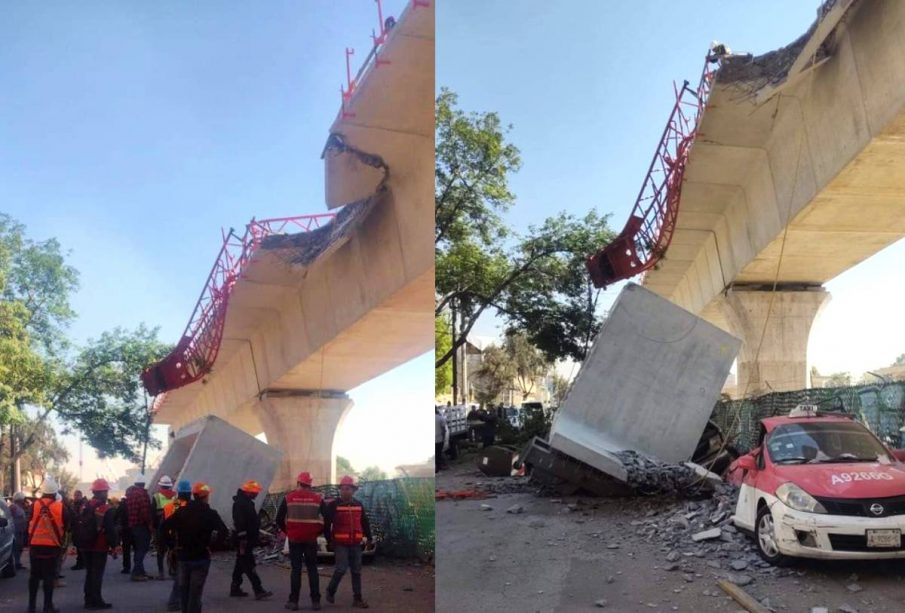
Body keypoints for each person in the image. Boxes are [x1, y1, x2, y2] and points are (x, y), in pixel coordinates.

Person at [161, 482, 230, 613]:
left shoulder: (179, 509)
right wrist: (214, 547)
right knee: (195, 593)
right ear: (206, 496)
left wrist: (171, 545)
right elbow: (224, 532)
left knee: (184, 590)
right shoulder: (210, 513)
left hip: (183, 556)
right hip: (201, 557)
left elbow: (163, 527)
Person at [275, 471, 327, 611]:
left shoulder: (288, 498)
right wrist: (318, 532)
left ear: (298, 483)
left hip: (295, 539)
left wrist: (288, 532)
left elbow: (279, 519)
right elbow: (327, 519)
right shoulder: (318, 499)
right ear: (310, 484)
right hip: (310, 539)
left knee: (296, 570)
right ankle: (316, 602)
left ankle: (294, 602)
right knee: (312, 570)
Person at [324, 475, 372, 609]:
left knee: (356, 571)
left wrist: (369, 537)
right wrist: (329, 541)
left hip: (356, 543)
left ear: (353, 490)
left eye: (348, 489)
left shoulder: (358, 505)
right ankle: (331, 590)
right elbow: (327, 524)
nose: (345, 491)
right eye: (343, 489)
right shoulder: (334, 505)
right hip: (340, 544)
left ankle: (357, 599)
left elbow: (364, 522)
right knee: (341, 569)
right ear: (340, 490)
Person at [27, 476, 72, 613]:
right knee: (48, 576)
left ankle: (31, 607)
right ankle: (48, 606)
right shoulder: (61, 507)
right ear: (55, 492)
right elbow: (68, 525)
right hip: (52, 547)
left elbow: (28, 521)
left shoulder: (34, 505)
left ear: (43, 491)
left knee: (34, 576)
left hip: (35, 545)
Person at [230, 480, 272, 600]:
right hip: (243, 541)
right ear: (249, 492)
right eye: (255, 492)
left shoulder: (245, 502)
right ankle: (258, 589)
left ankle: (235, 587)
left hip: (246, 539)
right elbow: (240, 523)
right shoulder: (241, 504)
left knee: (240, 563)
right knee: (249, 564)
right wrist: (243, 540)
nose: (257, 494)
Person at [81, 478, 119, 610]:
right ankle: (97, 601)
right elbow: (110, 530)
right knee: (97, 574)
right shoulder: (106, 509)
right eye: (106, 491)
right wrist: (114, 546)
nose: (107, 494)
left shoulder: (85, 505)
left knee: (89, 573)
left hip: (85, 544)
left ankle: (88, 600)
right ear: (101, 492)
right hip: (99, 545)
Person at [162, 480, 192, 612]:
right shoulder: (190, 507)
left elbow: (163, 526)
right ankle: (175, 602)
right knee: (183, 574)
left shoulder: (169, 506)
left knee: (179, 572)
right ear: (189, 492)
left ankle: (180, 600)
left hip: (172, 542)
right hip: (184, 542)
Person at [125, 473, 153, 581]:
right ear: (143, 483)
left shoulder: (130, 494)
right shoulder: (142, 494)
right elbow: (145, 512)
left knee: (138, 549)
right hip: (141, 526)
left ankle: (141, 571)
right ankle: (136, 573)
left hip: (133, 525)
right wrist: (149, 525)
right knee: (142, 549)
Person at [153, 475, 177, 580]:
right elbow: (178, 510)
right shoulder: (176, 496)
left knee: (160, 551)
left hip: (161, 527)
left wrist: (153, 528)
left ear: (161, 486)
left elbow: (153, 513)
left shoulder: (156, 496)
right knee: (173, 549)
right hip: (173, 526)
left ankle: (161, 573)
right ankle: (173, 570)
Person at [69, 490, 87, 570]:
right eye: (75, 495)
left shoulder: (83, 505)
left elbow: (80, 516)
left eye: (77, 495)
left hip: (81, 529)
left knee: (81, 547)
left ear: (80, 496)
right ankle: (82, 562)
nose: (75, 497)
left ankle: (81, 563)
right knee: (79, 546)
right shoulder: (74, 504)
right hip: (76, 529)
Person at [10, 492, 28, 570]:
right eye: (22, 499)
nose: (24, 501)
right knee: (16, 548)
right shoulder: (13, 507)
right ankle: (15, 563)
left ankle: (17, 562)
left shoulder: (20, 507)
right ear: (19, 499)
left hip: (20, 531)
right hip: (15, 531)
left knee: (20, 547)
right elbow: (10, 518)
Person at [435, 407, 448, 472]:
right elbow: (444, 430)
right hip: (439, 439)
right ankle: (438, 467)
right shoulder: (440, 418)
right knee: (438, 454)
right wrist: (443, 438)